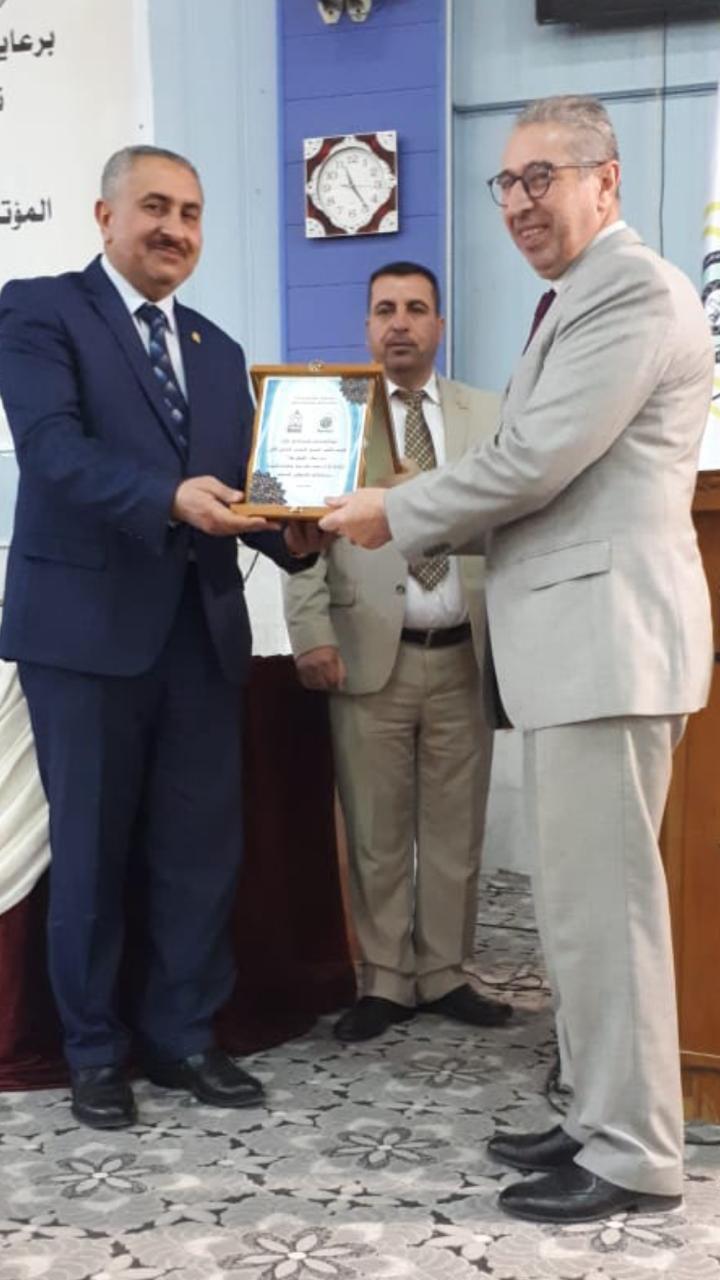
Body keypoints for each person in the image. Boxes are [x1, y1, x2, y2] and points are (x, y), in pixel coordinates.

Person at [319, 97, 714, 1223]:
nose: (521, 202)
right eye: (508, 183)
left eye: (545, 176)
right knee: (578, 917)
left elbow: (534, 460)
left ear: (608, 180)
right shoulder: (577, 298)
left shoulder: (632, 291)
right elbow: (534, 472)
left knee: (609, 916)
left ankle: (635, 1154)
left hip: (607, 647)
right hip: (575, 652)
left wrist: (393, 512)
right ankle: (595, 1111)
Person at [0, 145, 325, 1130]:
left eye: (190, 212)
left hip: (200, 638)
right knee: (92, 852)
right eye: (153, 207)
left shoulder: (219, 352)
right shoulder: (40, 311)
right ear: (105, 216)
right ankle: (94, 1050)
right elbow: (53, 453)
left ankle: (183, 1035)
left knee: (198, 851)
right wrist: (169, 497)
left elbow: (244, 491)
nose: (174, 228)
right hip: (85, 636)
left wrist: (293, 533)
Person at [284, 262, 511, 1043]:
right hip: (366, 652)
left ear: (440, 325)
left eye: (417, 309)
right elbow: (300, 529)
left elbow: (511, 518)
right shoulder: (333, 415)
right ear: (367, 327)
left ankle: (443, 972)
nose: (401, 323)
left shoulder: (489, 414)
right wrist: (310, 632)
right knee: (375, 831)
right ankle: (384, 979)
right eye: (385, 310)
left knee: (455, 826)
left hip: (463, 653)